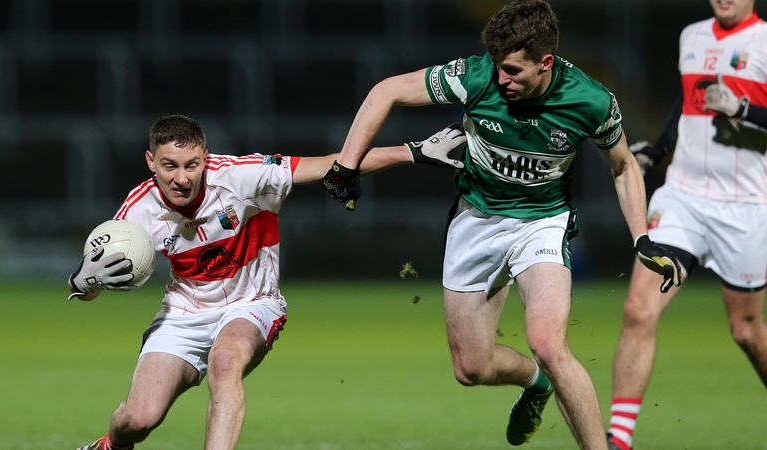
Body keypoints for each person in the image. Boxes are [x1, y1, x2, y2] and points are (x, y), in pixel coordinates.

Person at [320, 1, 681, 449]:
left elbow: (624, 167)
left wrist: (641, 237)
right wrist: (346, 165)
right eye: (497, 67)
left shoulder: (591, 100)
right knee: (471, 368)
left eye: (512, 70)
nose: (501, 79)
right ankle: (535, 383)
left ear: (545, 63)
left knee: (549, 345)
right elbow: (386, 90)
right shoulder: (476, 76)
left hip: (542, 223)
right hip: (476, 219)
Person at [68, 114, 467, 450]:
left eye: (192, 165)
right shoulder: (137, 212)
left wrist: (412, 152)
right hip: (183, 315)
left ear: (205, 159)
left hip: (252, 303)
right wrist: (83, 282)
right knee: (138, 419)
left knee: (226, 361)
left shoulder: (243, 177)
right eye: (170, 165)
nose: (182, 177)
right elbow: (100, 283)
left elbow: (332, 163)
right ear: (150, 162)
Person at [607, 1, 767, 449]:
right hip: (683, 199)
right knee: (638, 310)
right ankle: (618, 440)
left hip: (745, 207)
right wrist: (658, 150)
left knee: (747, 332)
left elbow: (744, 111)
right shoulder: (692, 36)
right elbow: (687, 100)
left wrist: (743, 108)